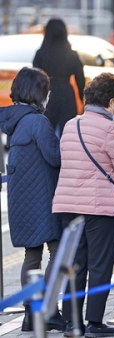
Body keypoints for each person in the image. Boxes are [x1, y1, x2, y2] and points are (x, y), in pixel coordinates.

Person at [53, 73, 114, 337]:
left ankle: (72, 323)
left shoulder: (70, 125)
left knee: (74, 265)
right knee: (100, 265)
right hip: (100, 209)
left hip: (68, 206)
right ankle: (94, 323)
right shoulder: (111, 130)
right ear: (111, 101)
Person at [0, 68, 63, 332]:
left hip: (20, 198)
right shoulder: (37, 121)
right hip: (42, 197)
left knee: (31, 255)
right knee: (59, 252)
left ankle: (30, 314)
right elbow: (54, 157)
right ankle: (48, 309)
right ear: (39, 92)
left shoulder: (13, 120)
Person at [33, 18, 84, 137]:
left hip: (46, 95)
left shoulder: (41, 54)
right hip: (67, 94)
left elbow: (34, 78)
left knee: (45, 134)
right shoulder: (72, 54)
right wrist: (83, 100)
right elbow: (80, 79)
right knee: (68, 134)